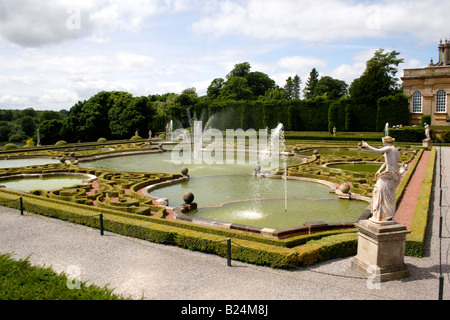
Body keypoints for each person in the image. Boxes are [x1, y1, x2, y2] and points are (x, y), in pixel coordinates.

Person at [361, 136, 401, 223]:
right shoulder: (394, 149)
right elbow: (387, 162)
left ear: (386, 142)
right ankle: (385, 214)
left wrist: (367, 146)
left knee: (380, 191)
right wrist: (379, 170)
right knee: (386, 194)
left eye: (383, 142)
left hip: (389, 174)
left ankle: (384, 215)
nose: (382, 143)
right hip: (393, 174)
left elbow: (377, 151)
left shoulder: (389, 148)